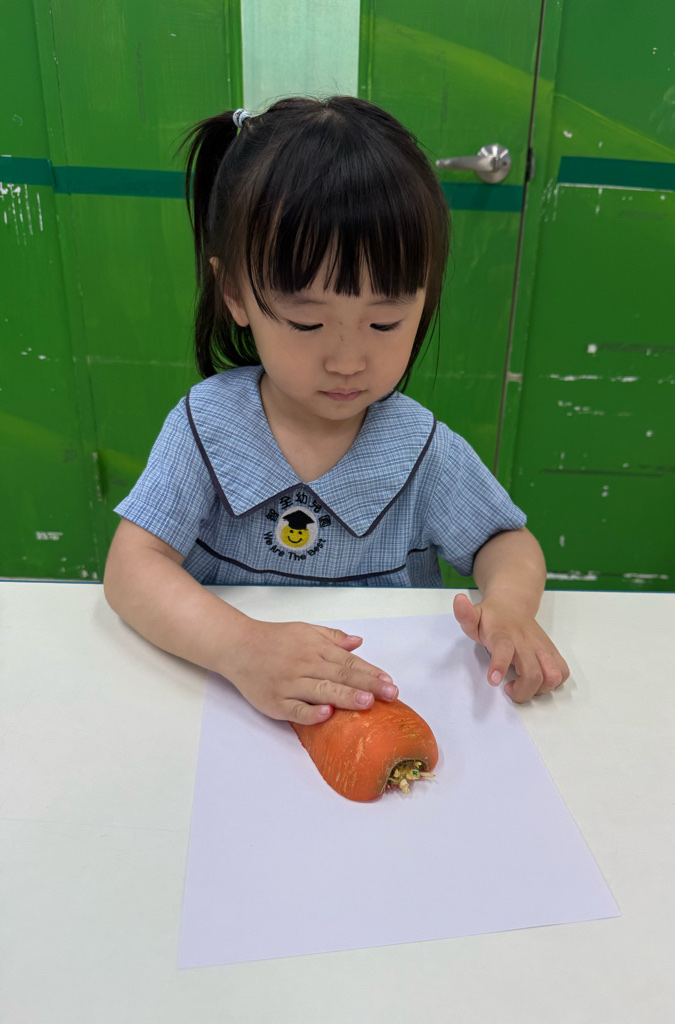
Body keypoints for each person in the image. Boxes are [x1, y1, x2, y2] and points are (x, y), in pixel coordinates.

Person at [103, 96, 569, 725]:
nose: (348, 361)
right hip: (227, 710)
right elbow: (132, 568)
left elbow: (505, 541)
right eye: (307, 322)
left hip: (386, 706)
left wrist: (509, 604)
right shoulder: (207, 427)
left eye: (385, 322)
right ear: (235, 293)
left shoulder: (420, 448)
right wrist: (242, 647)